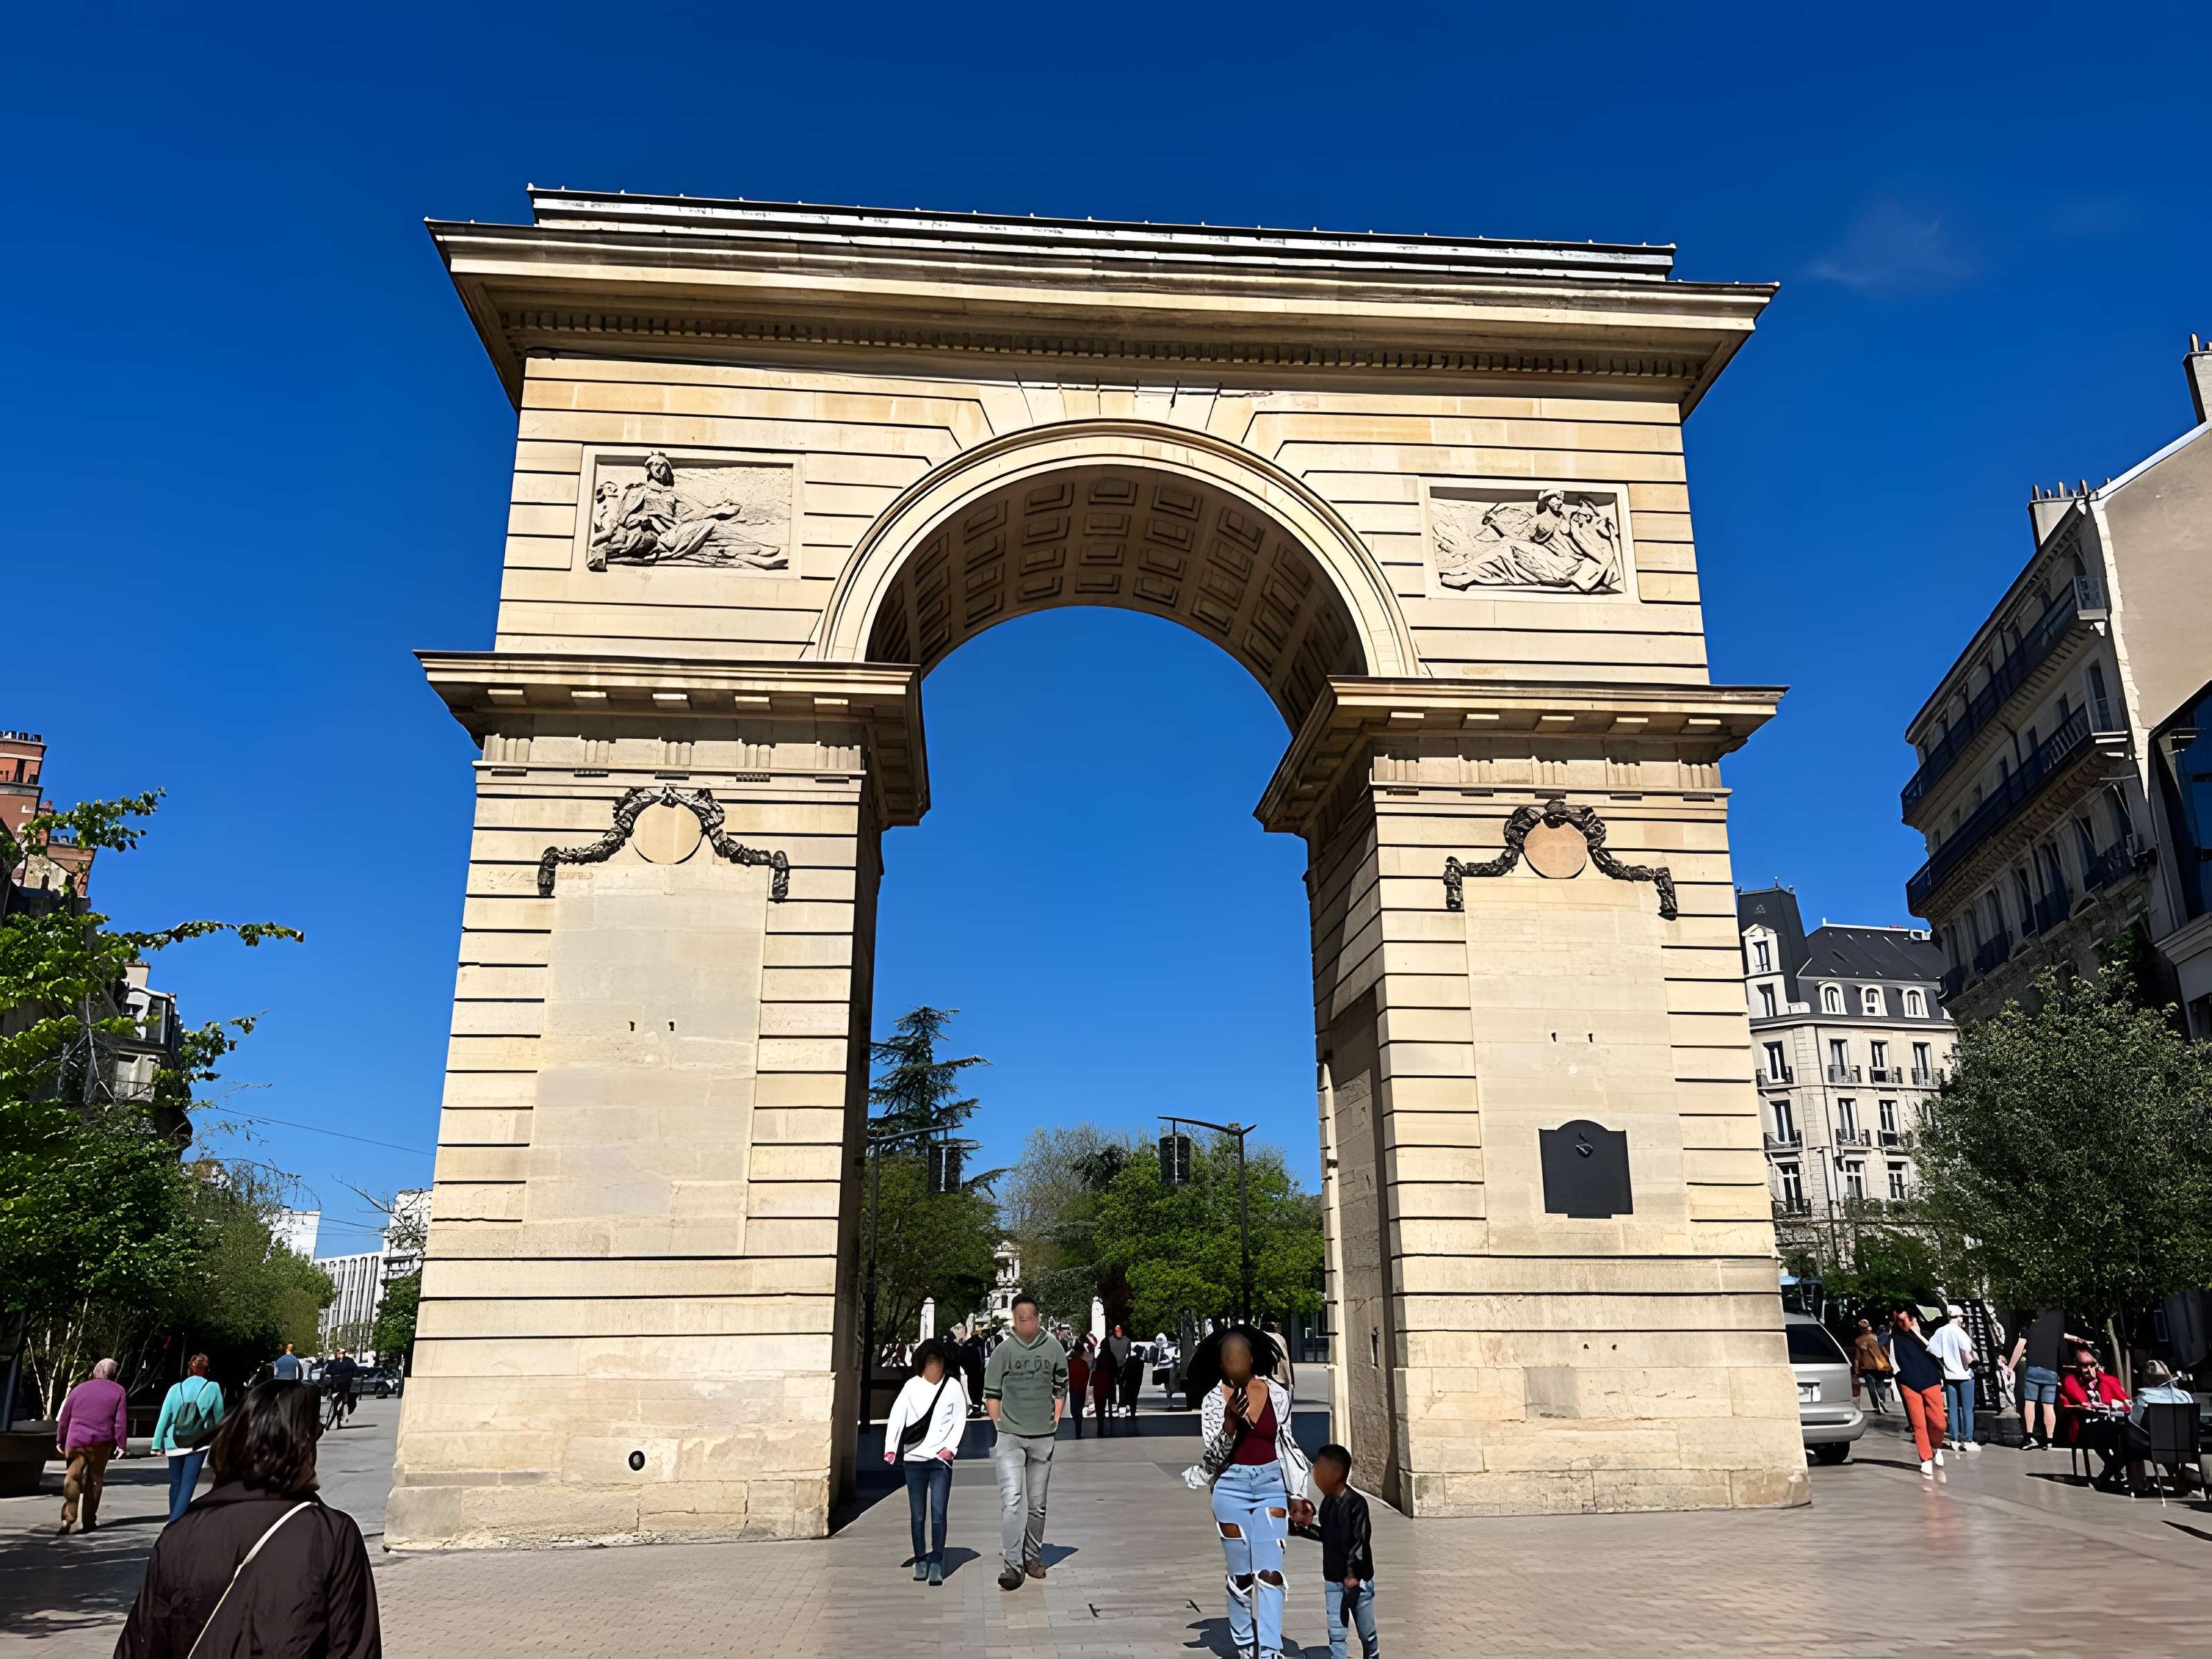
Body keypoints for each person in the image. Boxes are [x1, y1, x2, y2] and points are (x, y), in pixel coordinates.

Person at [116, 1380, 381, 1658]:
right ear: (302, 1446)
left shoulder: (180, 1534)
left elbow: (140, 1646)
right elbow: (355, 1649)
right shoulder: (331, 1535)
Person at [1181, 1326, 1311, 1659]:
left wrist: (1297, 1495)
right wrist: (1229, 1425)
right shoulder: (1213, 1401)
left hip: (1270, 1486)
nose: (1235, 1364)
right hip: (1231, 1489)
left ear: (1252, 1359)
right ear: (1221, 1364)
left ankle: (1270, 1649)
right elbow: (1211, 1461)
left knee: (1270, 1573)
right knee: (1241, 1577)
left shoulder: (1277, 1395)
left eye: (1241, 1357)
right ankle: (1243, 1644)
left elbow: (1288, 1446)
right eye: (1229, 1360)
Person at [983, 1294, 1067, 1592]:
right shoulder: (1003, 1351)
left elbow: (1061, 1386)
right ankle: (1012, 1564)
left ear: (1038, 1318)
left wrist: (1055, 1420)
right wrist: (1000, 1426)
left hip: (1042, 1437)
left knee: (1038, 1504)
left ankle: (1032, 1556)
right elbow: (992, 1392)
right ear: (1014, 1320)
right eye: (1021, 1318)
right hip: (1010, 1437)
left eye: (1030, 1317)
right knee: (1012, 1501)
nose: (1026, 1323)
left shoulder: (1054, 1348)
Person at [882, 1338, 967, 1586]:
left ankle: (937, 1560)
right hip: (914, 1460)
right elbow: (897, 1416)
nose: (933, 1368)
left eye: (937, 1362)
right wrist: (891, 1448)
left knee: (939, 1513)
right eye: (929, 1362)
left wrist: (950, 1448)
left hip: (940, 1462)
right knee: (917, 1514)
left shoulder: (952, 1386)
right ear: (921, 1364)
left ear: (943, 1364)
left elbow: (960, 1418)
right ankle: (920, 1559)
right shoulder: (911, 1387)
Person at [1290, 1443, 1378, 1659]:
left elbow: (1360, 1540)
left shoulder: (1357, 1503)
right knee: (1336, 1633)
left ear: (1334, 1474)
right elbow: (1328, 1536)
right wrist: (1302, 1528)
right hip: (1332, 1578)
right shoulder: (1328, 1503)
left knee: (1367, 1633)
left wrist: (1352, 1574)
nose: (1314, 1472)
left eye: (1318, 1468)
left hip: (1358, 1582)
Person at [55, 1358, 129, 1536]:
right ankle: (89, 1521)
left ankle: (67, 1519)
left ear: (96, 1371)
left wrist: (60, 1439)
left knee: (72, 1477)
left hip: (76, 1440)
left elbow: (65, 1417)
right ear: (114, 1374)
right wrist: (121, 1444)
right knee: (95, 1480)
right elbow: (120, 1421)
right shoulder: (118, 1391)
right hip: (101, 1443)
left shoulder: (78, 1389)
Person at [151, 1356, 226, 1524]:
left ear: (189, 1369)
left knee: (176, 1482)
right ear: (206, 1370)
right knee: (188, 1482)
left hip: (173, 1440)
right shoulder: (212, 1387)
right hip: (198, 1441)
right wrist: (219, 1439)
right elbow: (219, 1416)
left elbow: (164, 1416)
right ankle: (175, 1522)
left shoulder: (175, 1388)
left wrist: (157, 1443)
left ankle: (174, 1517)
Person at [1884, 1310, 1949, 1477]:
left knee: (1939, 1422)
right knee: (1918, 1423)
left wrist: (1917, 1333)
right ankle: (1925, 1458)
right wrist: (1900, 1378)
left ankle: (1936, 1446)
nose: (1906, 1322)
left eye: (1908, 1318)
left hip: (1931, 1380)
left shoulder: (1922, 1335)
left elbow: (1935, 1353)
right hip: (1909, 1383)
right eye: (1901, 1319)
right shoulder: (1893, 1339)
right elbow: (1893, 1362)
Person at [2119, 1360, 2200, 1494]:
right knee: (2167, 1441)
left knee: (2128, 1437)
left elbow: (2135, 1423)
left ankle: (2138, 1483)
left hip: (2153, 1447)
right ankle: (2178, 1481)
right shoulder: (2185, 1396)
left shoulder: (2145, 1398)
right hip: (2185, 1446)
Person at [2007, 1308, 2083, 1450]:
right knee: (2048, 1406)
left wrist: (2010, 1367)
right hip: (2051, 1372)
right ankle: (2049, 1440)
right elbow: (2062, 1348)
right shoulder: (2054, 1330)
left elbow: (2020, 1346)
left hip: (2033, 1370)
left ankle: (2029, 1438)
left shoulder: (2029, 1328)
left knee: (2030, 1403)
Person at [2058, 1346, 2132, 1490]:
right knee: (2102, 1437)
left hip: (2113, 1423)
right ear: (2077, 1365)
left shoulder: (2105, 1379)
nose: (2089, 1369)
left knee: (2128, 1439)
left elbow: (2123, 1400)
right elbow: (2081, 1400)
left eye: (2092, 1365)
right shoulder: (2072, 1380)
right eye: (2085, 1366)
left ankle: (2107, 1474)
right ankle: (2110, 1472)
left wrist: (2099, 1380)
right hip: (2086, 1424)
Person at [1927, 1305, 1980, 1453]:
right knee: (1968, 1409)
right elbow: (1968, 1355)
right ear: (1958, 1317)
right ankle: (1968, 1439)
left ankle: (1954, 1439)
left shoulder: (1941, 1331)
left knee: (1953, 1409)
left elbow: (1932, 1350)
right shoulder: (1962, 1334)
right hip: (1965, 1375)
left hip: (1949, 1375)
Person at [1850, 1319, 1892, 1414]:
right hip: (1879, 1365)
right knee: (1880, 1384)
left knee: (1870, 1385)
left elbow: (1858, 1357)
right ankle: (1882, 1401)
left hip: (1867, 1366)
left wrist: (1856, 1370)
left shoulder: (1859, 1340)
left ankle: (1877, 1406)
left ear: (1861, 1328)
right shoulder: (1875, 1337)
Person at [1089, 1329, 1118, 1434]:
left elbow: (1094, 1372)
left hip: (1100, 1385)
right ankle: (1110, 1419)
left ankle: (1101, 1424)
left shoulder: (1099, 1358)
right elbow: (1116, 1371)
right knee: (1110, 1403)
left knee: (1100, 1407)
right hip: (1109, 1383)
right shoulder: (1112, 1357)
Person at [322, 1349, 362, 1424]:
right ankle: (331, 1417)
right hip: (336, 1386)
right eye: (339, 1353)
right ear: (337, 1353)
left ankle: (341, 1415)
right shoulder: (333, 1362)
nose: (341, 1354)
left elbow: (354, 1368)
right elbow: (328, 1373)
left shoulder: (349, 1361)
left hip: (346, 1385)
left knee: (348, 1401)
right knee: (334, 1401)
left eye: (343, 1353)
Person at [1067, 1337, 1092, 1441]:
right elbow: (1087, 1375)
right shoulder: (1083, 1363)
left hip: (1074, 1390)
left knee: (1074, 1410)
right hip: (1081, 1390)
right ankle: (1079, 1426)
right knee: (1078, 1410)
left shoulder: (1071, 1362)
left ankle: (1078, 1427)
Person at [1115, 1324, 1143, 1416]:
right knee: (1134, 1396)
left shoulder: (1131, 1359)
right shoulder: (1140, 1362)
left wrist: (1122, 1378)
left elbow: (1126, 1371)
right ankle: (1132, 1412)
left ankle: (1125, 1406)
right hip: (1136, 1382)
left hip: (1129, 1381)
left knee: (1127, 1393)